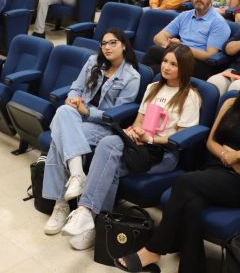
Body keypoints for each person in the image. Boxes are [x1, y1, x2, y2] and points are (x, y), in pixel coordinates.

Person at [117, 60, 240, 273]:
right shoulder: (230, 104)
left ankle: (155, 248)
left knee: (184, 182)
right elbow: (211, 142)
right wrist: (227, 156)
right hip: (216, 171)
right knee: (192, 206)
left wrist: (238, 155)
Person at [59, 44, 201, 251]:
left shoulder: (190, 96)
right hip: (139, 145)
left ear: (184, 68)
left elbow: (180, 137)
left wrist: (150, 139)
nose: (166, 67)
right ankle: (94, 220)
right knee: (108, 151)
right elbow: (138, 122)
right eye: (165, 61)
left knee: (108, 162)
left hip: (163, 153)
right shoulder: (153, 88)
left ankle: (89, 215)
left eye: (173, 64)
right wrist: (134, 132)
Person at [42, 30, 141, 246]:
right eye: (104, 43)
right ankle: (77, 176)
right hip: (77, 117)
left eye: (113, 43)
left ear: (124, 45)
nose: (107, 47)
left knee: (60, 137)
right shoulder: (93, 62)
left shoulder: (132, 77)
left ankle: (61, 203)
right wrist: (72, 100)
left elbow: (115, 115)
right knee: (63, 111)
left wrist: (87, 111)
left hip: (104, 126)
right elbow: (75, 88)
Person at [142, 0, 230, 79]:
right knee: (154, 57)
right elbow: (158, 37)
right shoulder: (185, 15)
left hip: (198, 62)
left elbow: (210, 55)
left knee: (155, 57)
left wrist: (181, 48)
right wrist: (167, 45)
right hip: (178, 54)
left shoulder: (219, 23)